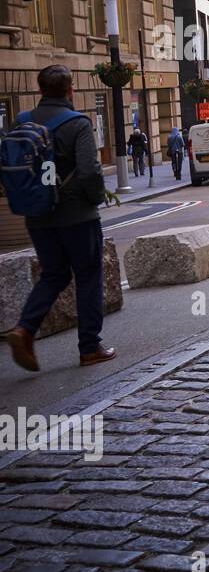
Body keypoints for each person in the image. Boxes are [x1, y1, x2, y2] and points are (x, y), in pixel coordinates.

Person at [4, 64, 116, 371]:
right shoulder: (77, 123)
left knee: (54, 273)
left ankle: (25, 328)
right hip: (76, 215)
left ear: (40, 90)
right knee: (88, 274)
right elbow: (90, 171)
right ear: (70, 90)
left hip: (37, 214)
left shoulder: (21, 121)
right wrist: (95, 200)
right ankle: (89, 347)